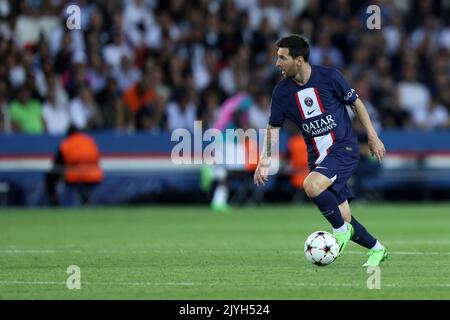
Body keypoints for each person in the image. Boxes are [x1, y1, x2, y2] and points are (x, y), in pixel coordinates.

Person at [254, 35, 388, 267]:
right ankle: (378, 249)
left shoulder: (329, 77)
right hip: (318, 157)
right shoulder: (282, 92)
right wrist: (264, 160)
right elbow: (273, 128)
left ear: (299, 60)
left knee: (311, 185)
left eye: (282, 58)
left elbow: (355, 103)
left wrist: (373, 136)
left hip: (343, 148)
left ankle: (339, 231)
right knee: (344, 215)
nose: (277, 63)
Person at [45, 125, 103, 206]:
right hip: (94, 174)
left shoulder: (66, 143)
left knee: (51, 174)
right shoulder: (89, 140)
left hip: (75, 175)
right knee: (82, 181)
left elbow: (57, 164)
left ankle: (53, 201)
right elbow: (97, 159)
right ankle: (85, 197)